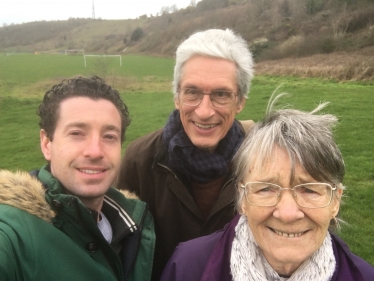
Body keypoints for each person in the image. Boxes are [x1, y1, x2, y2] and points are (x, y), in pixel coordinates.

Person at [160, 97, 374, 281]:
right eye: (266, 189)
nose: (288, 214)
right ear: (242, 198)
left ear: (335, 201)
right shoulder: (187, 268)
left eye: (309, 190)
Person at [117, 28, 254, 279]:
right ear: (177, 97)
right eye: (192, 92)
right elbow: (119, 251)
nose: (204, 112)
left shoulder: (262, 158)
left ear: (240, 101)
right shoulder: (140, 160)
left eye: (221, 94)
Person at [0, 76, 155, 281]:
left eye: (109, 136)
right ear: (47, 144)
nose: (95, 151)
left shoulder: (134, 224)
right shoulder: (11, 234)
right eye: (77, 133)